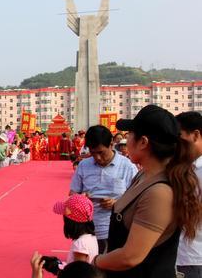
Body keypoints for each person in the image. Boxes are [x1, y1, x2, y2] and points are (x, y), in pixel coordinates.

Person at [92, 105, 202, 277]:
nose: (126, 141)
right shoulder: (143, 175)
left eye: (130, 135)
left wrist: (95, 262)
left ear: (143, 142)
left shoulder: (160, 192)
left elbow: (130, 256)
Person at [69, 125, 138, 254]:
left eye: (101, 152)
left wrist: (117, 204)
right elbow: (72, 194)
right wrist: (81, 199)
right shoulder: (84, 165)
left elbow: (137, 199)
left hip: (116, 230)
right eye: (93, 153)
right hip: (87, 231)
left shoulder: (127, 166)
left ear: (111, 144)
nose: (97, 158)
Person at [31, 194, 98, 277]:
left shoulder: (80, 244)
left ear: (70, 221)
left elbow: (78, 274)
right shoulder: (91, 237)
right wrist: (60, 265)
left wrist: (58, 270)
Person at [175, 111, 202, 278]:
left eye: (180, 136)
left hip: (193, 256)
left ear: (195, 135)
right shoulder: (186, 167)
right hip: (182, 255)